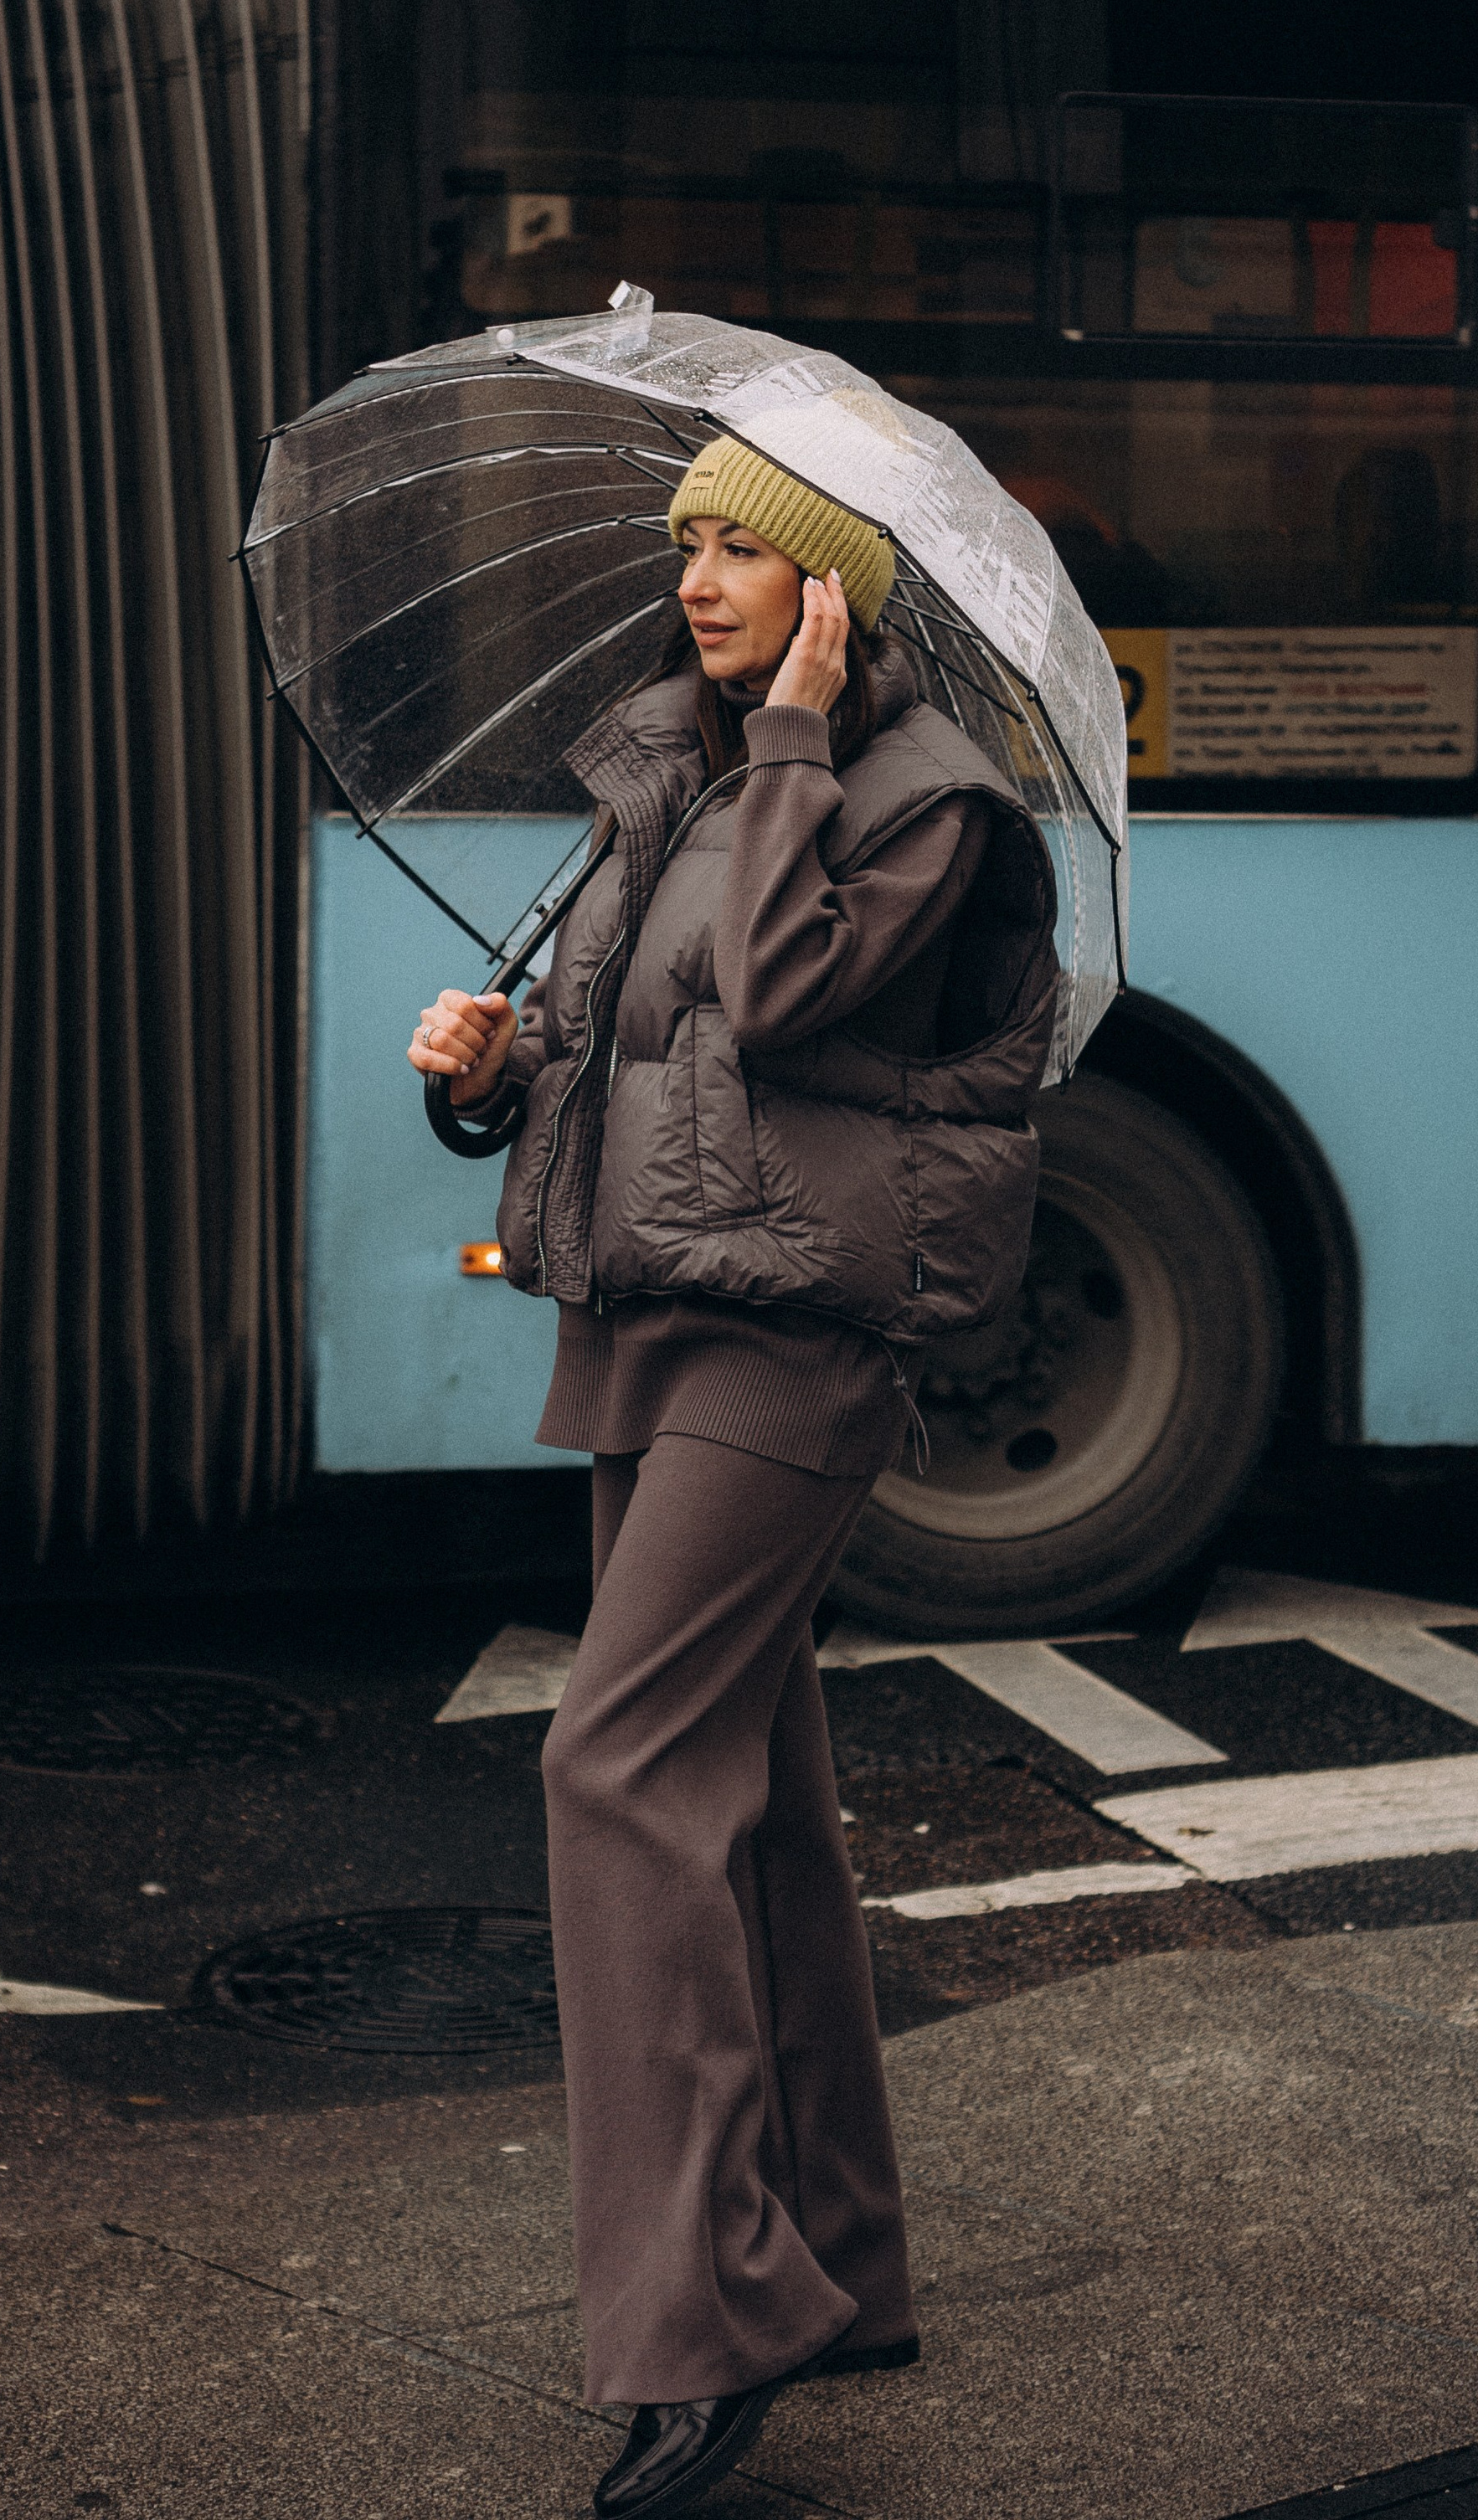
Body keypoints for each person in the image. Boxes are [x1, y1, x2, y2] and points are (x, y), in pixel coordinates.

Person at [407, 438, 1059, 2520]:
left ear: (830, 593)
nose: (697, 576)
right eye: (685, 541)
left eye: (744, 550)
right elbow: (634, 1042)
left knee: (615, 1770)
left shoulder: (918, 798)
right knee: (746, 1794)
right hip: (649, 1309)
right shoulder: (661, 771)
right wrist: (491, 1079)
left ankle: (704, 2329)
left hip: (798, 1328)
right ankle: (842, 2266)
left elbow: (777, 997)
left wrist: (791, 741)